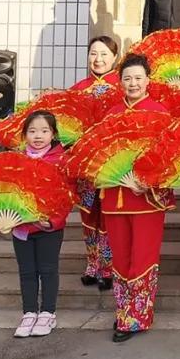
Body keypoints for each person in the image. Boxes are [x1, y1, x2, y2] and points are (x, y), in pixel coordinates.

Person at [101, 54, 173, 342]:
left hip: (147, 200)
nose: (133, 83)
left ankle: (138, 315)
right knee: (120, 257)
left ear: (148, 81)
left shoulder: (160, 114)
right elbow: (99, 155)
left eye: (138, 78)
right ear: (120, 82)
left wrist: (149, 182)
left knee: (143, 257)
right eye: (127, 78)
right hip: (114, 197)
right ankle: (123, 311)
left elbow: (168, 158)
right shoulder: (111, 115)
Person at [9, 110, 68, 338]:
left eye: (44, 131)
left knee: (48, 270)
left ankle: (48, 313)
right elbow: (5, 192)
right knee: (27, 272)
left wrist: (51, 221)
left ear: (53, 134)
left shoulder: (61, 161)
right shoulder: (14, 161)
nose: (38, 136)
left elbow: (66, 197)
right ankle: (29, 312)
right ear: (24, 135)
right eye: (32, 131)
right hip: (22, 228)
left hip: (48, 228)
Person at [68, 36, 119, 291]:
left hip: (112, 164)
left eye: (104, 54)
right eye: (93, 54)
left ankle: (108, 268)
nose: (98, 59)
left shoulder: (123, 86)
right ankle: (92, 264)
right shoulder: (78, 89)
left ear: (115, 57)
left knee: (108, 215)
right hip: (85, 165)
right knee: (88, 215)